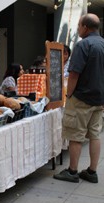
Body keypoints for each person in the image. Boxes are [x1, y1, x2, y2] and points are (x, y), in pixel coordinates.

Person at [53, 13, 104, 184]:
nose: (77, 28)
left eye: (79, 25)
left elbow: (74, 74)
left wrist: (68, 95)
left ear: (85, 27)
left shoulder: (83, 45)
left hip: (81, 97)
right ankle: (92, 171)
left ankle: (73, 171)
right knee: (95, 134)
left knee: (75, 135)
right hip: (99, 99)